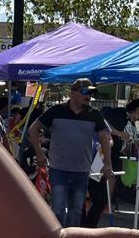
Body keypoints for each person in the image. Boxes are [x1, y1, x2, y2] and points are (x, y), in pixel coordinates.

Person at [28, 79, 114, 227]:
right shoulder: (56, 111)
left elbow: (105, 138)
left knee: (76, 212)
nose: (88, 96)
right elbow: (33, 129)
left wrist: (108, 164)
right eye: (85, 92)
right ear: (73, 93)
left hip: (81, 170)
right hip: (58, 169)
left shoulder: (94, 114)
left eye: (91, 93)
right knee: (58, 211)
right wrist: (40, 154)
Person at [83, 98, 139, 229]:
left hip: (114, 153)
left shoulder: (131, 123)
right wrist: (119, 134)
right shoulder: (118, 113)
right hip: (101, 153)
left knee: (110, 180)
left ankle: (103, 205)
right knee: (96, 179)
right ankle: (92, 203)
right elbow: (106, 126)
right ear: (137, 110)